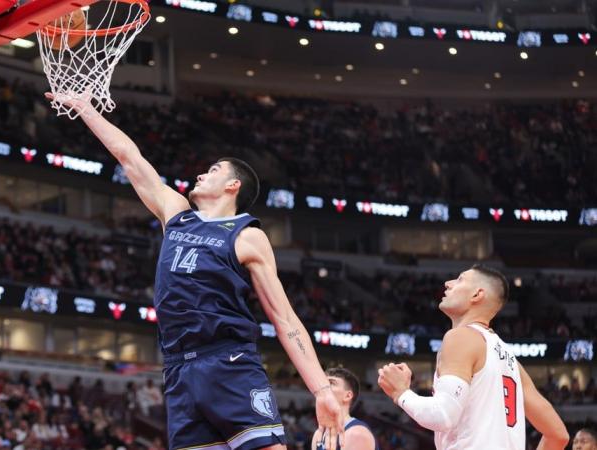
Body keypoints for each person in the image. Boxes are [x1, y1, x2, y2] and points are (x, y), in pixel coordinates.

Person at [47, 93, 343, 450]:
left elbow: (285, 319)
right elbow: (129, 157)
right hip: (178, 369)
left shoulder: (248, 236)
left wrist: (322, 390)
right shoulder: (176, 213)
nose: (202, 173)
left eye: (214, 170)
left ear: (233, 186)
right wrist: (86, 110)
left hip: (228, 361)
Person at [377, 264, 569, 450]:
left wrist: (401, 393)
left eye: (460, 280)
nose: (448, 283)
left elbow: (443, 415)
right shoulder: (511, 360)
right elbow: (558, 435)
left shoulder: (460, 337)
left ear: (477, 295)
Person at [311, 368, 377, 450]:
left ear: (348, 396)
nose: (324, 389)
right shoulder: (318, 434)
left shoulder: (357, 434)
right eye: (323, 384)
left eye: (331, 383)